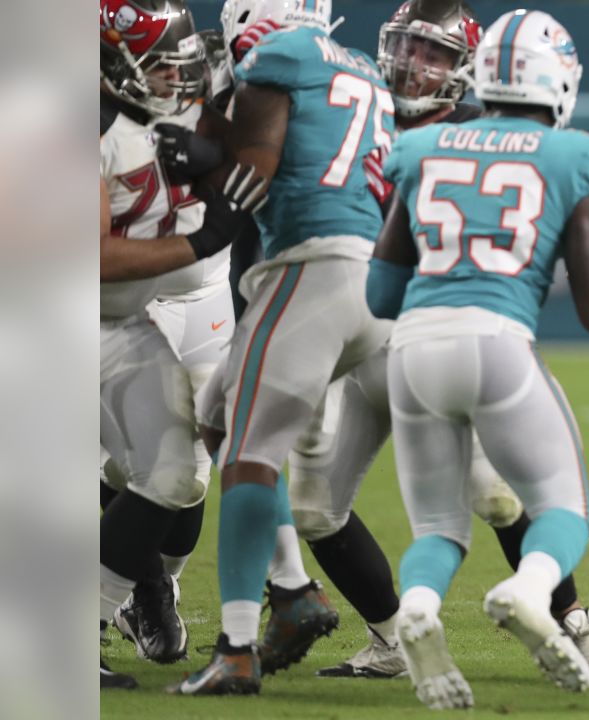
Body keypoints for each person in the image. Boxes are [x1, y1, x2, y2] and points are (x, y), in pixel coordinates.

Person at [305, 0, 589, 685]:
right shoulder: (574, 153)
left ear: (473, 72)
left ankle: (565, 625)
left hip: (405, 337)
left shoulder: (422, 145)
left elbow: (382, 290)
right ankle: (416, 627)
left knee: (476, 506)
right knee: (559, 505)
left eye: (435, 53)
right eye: (409, 48)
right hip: (462, 338)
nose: (415, 66)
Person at [170, 0, 393, 695]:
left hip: (311, 272)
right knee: (215, 416)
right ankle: (293, 587)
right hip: (378, 284)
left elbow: (252, 174)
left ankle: (238, 648)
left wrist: (191, 156)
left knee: (246, 457)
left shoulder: (276, 58)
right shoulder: (363, 68)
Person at [98, 0, 263, 688]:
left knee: (182, 473)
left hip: (184, 299)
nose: (179, 78)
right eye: (163, 67)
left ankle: (148, 589)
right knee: (108, 467)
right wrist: (198, 236)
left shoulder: (183, 106)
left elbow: (255, 156)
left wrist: (221, 163)